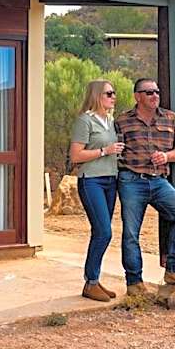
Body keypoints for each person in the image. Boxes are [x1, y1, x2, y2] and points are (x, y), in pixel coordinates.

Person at [114, 77, 175, 296]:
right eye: (149, 92)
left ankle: (174, 268)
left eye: (157, 92)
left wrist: (166, 156)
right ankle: (134, 283)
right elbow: (114, 150)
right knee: (131, 233)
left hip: (159, 181)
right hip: (131, 181)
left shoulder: (170, 118)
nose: (155, 96)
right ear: (137, 96)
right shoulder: (122, 121)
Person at [69, 80, 125, 302]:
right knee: (104, 231)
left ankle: (93, 280)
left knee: (100, 232)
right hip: (91, 181)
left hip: (111, 181)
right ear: (96, 96)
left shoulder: (111, 121)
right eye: (109, 93)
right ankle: (90, 282)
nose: (114, 97)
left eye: (114, 93)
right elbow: (75, 156)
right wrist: (105, 150)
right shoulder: (85, 121)